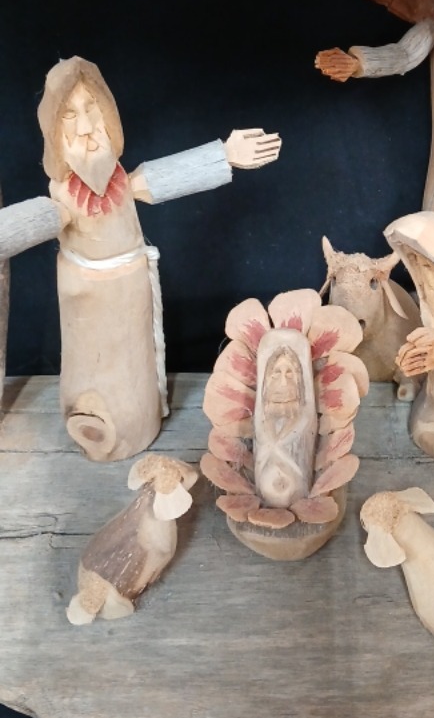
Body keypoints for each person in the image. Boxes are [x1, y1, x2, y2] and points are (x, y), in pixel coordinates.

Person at [0, 56, 282, 461]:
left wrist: (225, 154)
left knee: (135, 369)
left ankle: (138, 420)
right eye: (70, 116)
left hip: (132, 293)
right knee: (91, 371)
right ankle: (93, 420)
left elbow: (157, 178)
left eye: (91, 108)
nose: (86, 127)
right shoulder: (62, 198)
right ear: (54, 132)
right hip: (86, 303)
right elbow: (32, 220)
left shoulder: (124, 181)